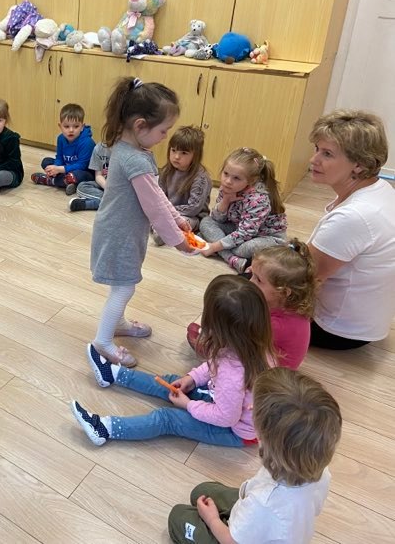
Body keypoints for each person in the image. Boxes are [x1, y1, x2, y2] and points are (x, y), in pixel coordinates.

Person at [72, 275, 274, 447]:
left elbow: (225, 417)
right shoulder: (249, 342)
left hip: (234, 431)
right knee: (171, 382)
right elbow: (215, 366)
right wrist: (192, 378)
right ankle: (112, 374)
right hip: (225, 403)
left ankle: (104, 429)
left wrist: (188, 405)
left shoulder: (232, 374)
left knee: (166, 419)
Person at [167, 367, 341, 544]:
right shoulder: (318, 470)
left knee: (178, 516)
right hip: (262, 513)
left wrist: (212, 520)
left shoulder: (263, 503)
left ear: (264, 438)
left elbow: (231, 541)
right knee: (201, 491)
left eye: (255, 411)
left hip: (242, 531)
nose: (250, 408)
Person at [89, 77, 191, 367]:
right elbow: (154, 207)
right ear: (140, 126)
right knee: (124, 287)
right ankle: (103, 341)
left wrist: (176, 218)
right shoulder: (134, 159)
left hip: (122, 231)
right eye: (163, 130)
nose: (165, 137)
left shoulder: (133, 151)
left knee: (122, 283)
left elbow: (155, 195)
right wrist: (178, 241)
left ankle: (118, 323)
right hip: (118, 235)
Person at [307, 110, 395, 349]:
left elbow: (304, 279)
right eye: (317, 149)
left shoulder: (354, 216)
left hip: (336, 329)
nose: (314, 159)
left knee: (236, 294)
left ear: (359, 164)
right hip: (365, 324)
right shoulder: (380, 189)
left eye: (327, 154)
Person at [189, 239, 316, 371]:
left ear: (283, 292)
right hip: (269, 359)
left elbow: (239, 341)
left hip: (266, 375)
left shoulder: (275, 325)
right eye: (252, 274)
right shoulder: (284, 305)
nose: (250, 281)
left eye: (258, 279)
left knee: (204, 336)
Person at [199, 147, 287, 274]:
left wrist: (214, 246)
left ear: (251, 181)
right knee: (206, 222)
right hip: (238, 227)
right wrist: (226, 200)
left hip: (266, 237)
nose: (228, 181)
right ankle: (231, 258)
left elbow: (246, 233)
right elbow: (217, 219)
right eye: (226, 174)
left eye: (236, 178)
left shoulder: (258, 199)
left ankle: (225, 253)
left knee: (242, 249)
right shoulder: (227, 188)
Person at [153, 125, 211, 244]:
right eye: (173, 150)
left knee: (183, 222)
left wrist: (168, 211)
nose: (176, 157)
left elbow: (193, 208)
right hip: (168, 211)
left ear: (195, 155)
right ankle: (161, 229)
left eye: (184, 153)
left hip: (191, 216)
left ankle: (163, 231)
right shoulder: (166, 171)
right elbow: (159, 195)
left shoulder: (201, 178)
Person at [30, 103, 95, 194]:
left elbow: (82, 165)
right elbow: (59, 157)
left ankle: (51, 181)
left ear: (82, 127)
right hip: (66, 169)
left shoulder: (87, 142)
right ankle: (67, 182)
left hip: (84, 172)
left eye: (76, 126)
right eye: (66, 126)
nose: (71, 130)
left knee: (78, 175)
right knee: (46, 162)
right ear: (60, 126)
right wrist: (55, 168)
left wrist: (60, 169)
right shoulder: (60, 138)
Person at [69, 141, 109, 212]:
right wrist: (108, 188)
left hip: (121, 189)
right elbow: (98, 176)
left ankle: (93, 204)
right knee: (82, 186)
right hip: (106, 185)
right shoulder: (100, 148)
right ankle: (108, 201)